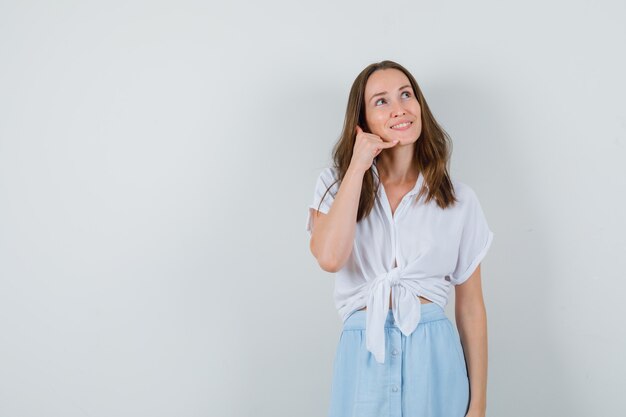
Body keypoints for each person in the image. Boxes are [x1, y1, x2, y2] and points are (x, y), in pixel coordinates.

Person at [305, 60, 494, 417]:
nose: (399, 108)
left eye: (406, 95)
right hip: (363, 356)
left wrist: (479, 405)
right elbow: (330, 258)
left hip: (435, 357)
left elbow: (471, 307)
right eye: (381, 101)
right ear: (361, 122)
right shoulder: (334, 186)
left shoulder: (458, 199)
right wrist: (358, 167)